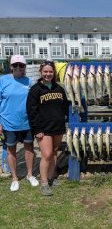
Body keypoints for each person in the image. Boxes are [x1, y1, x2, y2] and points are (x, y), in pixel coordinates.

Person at [26, 61, 68, 196]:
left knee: (55, 152)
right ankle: (44, 183)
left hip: (58, 126)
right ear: (41, 72)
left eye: (50, 72)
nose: (48, 74)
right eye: (45, 71)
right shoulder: (35, 89)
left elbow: (65, 106)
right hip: (43, 128)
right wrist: (37, 129)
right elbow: (31, 111)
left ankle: (51, 177)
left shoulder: (59, 88)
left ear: (54, 73)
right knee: (47, 154)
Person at [0, 54, 39, 191]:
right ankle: (15, 178)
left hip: (26, 122)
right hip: (8, 123)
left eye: (21, 65)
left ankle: (29, 175)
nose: (18, 68)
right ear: (11, 66)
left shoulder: (29, 82)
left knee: (29, 149)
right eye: (15, 65)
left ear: (24, 67)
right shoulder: (2, 80)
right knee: (11, 151)